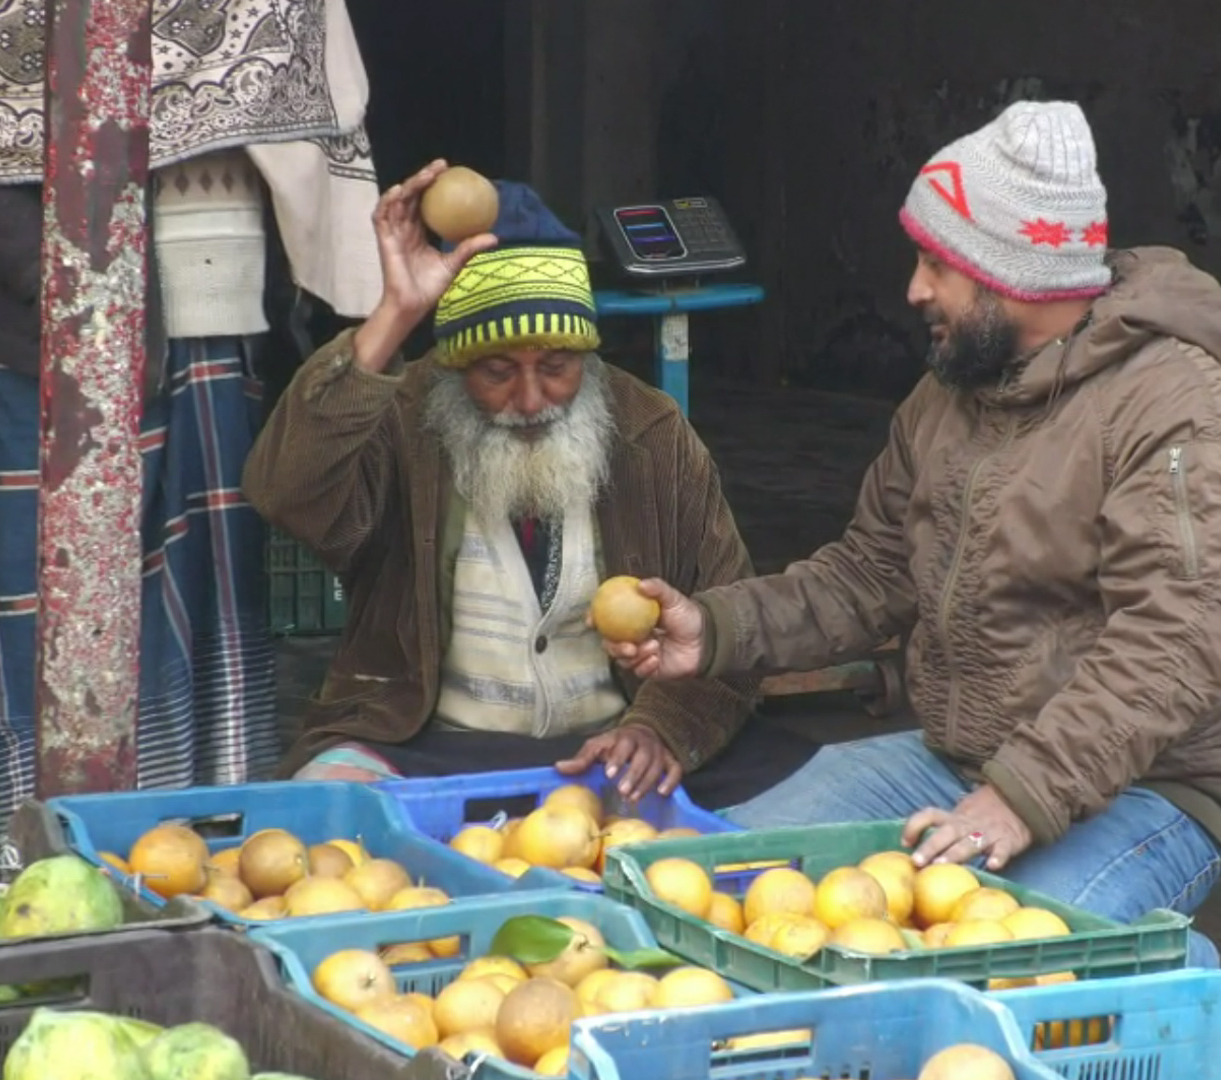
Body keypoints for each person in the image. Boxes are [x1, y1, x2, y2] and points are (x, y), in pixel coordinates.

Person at [606, 101, 1221, 962]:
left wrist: (1020, 796)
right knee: (704, 893)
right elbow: (872, 571)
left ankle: (1169, 980)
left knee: (997, 965)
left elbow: (1173, 642)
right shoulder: (954, 393)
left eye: (935, 264)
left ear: (1011, 273)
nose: (915, 290)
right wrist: (721, 627)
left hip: (1149, 794)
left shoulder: (1180, 413)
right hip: (953, 760)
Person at [0, 0, 387, 845]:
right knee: (61, 590)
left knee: (215, 582)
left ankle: (218, 835)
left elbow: (307, 82)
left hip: (219, 305)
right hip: (56, 332)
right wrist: (60, 274)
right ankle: (48, 841)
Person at [246, 162, 815, 806]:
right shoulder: (401, 416)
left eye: (556, 366)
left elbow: (729, 623)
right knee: (331, 813)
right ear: (454, 367)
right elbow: (285, 493)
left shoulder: (651, 432)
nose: (531, 398)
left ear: (587, 354)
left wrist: (659, 728)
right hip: (426, 746)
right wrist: (394, 317)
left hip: (611, 743)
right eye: (495, 370)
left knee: (789, 804)